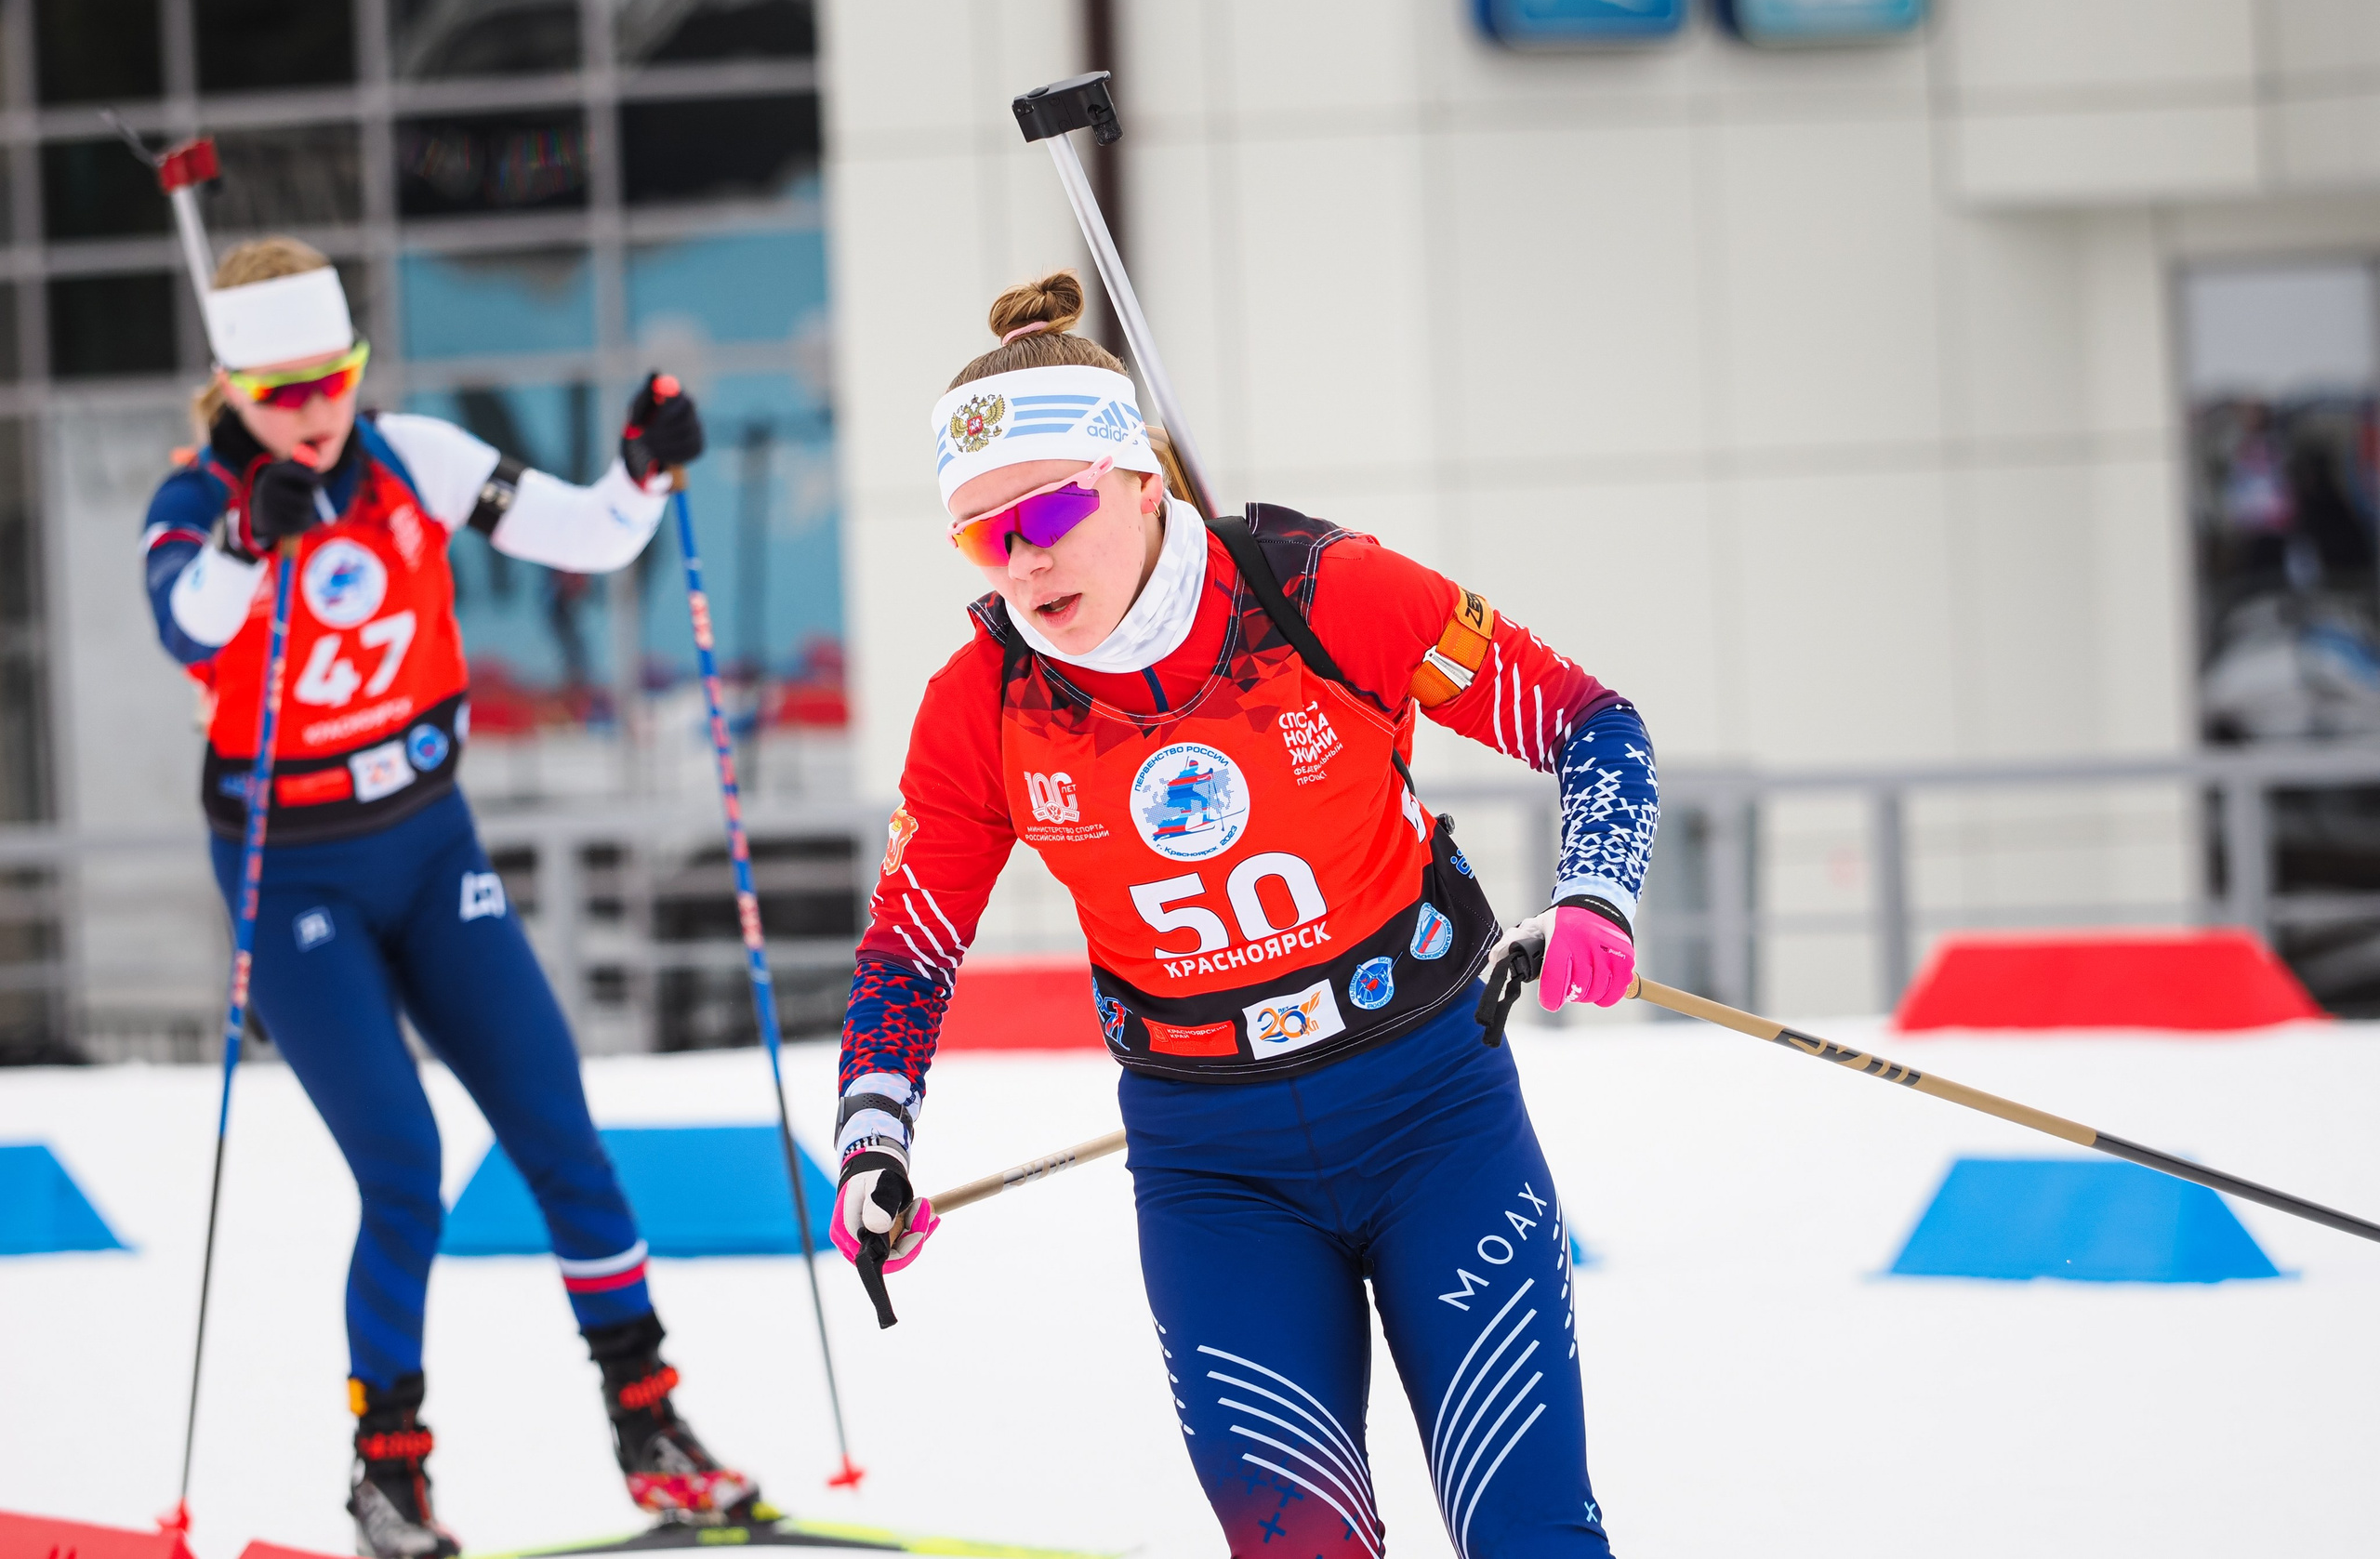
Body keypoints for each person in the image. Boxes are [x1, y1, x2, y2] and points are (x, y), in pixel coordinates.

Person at [827, 271, 1659, 1555]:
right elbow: (908, 945)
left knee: (1534, 1535)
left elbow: (1592, 726)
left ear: (1141, 478)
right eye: (983, 535)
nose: (1024, 557)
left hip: (1433, 1110)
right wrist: (873, 1140)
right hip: (1214, 1168)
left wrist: (1594, 893)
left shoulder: (1323, 595)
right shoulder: (981, 706)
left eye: (1048, 508)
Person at [139, 237, 761, 1557]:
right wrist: (256, 539)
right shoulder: (198, 502)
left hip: (429, 842)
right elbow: (189, 622)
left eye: (335, 380)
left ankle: (650, 1426)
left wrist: (643, 469)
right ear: (234, 389)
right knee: (406, 1170)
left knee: (560, 1131)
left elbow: (589, 532)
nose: (315, 412)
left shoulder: (413, 455)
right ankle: (390, 1473)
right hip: (291, 867)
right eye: (283, 391)